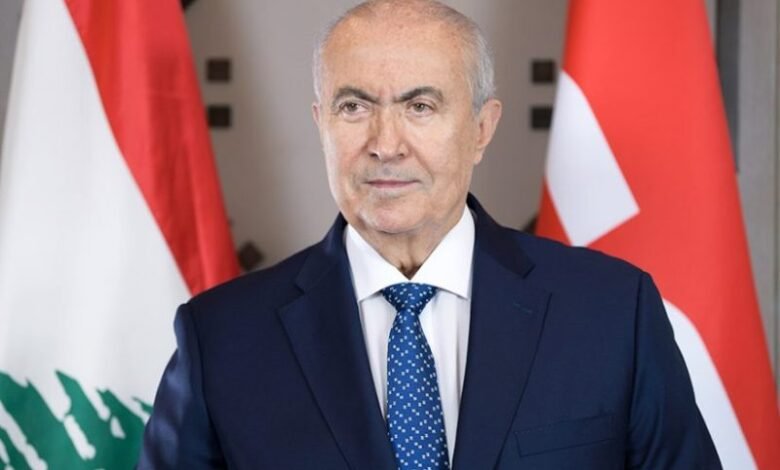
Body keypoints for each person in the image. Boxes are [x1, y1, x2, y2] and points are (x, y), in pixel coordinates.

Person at [139, 1, 721, 468]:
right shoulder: (220, 339)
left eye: (420, 106)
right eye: (354, 106)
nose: (385, 144)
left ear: (481, 128)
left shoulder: (612, 314)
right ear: (322, 124)